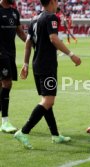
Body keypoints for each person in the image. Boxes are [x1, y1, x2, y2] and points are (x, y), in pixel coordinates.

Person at [14, 0, 81, 149]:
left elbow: (28, 43)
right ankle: (24, 131)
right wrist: (71, 55)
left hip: (36, 63)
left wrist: (25, 64)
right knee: (48, 101)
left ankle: (55, 135)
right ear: (52, 2)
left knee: (46, 100)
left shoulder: (35, 19)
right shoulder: (51, 17)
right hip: (47, 64)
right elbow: (54, 38)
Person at [0, 0, 26, 133]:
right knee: (7, 83)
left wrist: (33, 43)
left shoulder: (14, 12)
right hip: (1, 53)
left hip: (11, 53)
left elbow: (20, 32)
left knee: (2, 84)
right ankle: (4, 122)